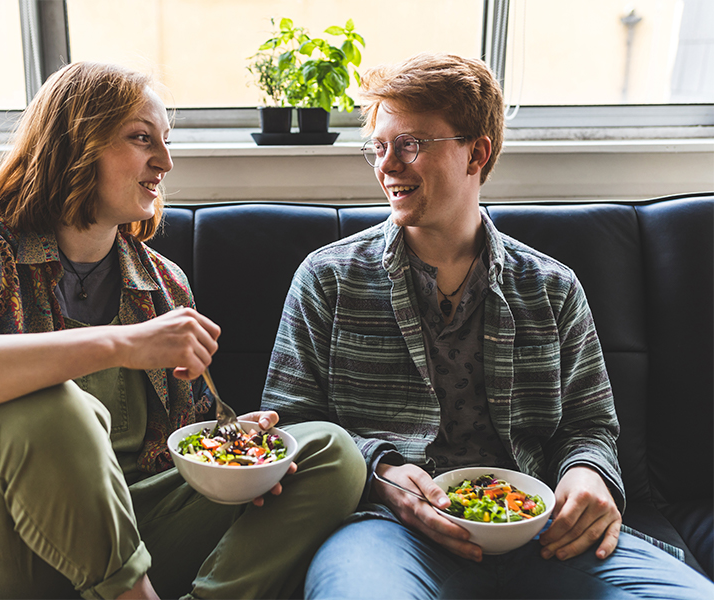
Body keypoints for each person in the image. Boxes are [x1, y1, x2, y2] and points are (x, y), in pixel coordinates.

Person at [0, 61, 365, 600]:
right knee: (48, 405)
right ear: (75, 145)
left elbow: (189, 444)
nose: (165, 162)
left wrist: (237, 451)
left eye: (166, 141)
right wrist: (121, 344)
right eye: (140, 138)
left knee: (328, 452)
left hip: (132, 530)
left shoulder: (161, 285)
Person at [261, 53, 714, 599]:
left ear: (477, 152)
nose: (387, 165)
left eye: (410, 144)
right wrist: (381, 479)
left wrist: (587, 476)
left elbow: (591, 427)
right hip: (387, 530)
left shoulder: (553, 288)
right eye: (379, 147)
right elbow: (292, 428)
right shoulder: (327, 280)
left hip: (539, 527)